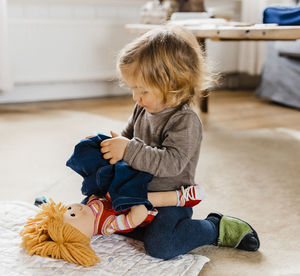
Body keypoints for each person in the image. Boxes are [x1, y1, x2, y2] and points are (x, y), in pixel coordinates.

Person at [99, 24, 260, 259]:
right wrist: (105, 144)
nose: (135, 97)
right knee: (100, 214)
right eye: (133, 89)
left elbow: (171, 163)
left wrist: (128, 150)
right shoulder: (142, 108)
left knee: (162, 246)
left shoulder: (185, 121)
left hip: (170, 201)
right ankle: (62, 215)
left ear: (172, 84)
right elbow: (127, 137)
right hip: (136, 192)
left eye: (142, 91)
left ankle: (214, 228)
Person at [20, 187, 204, 267]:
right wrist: (127, 197)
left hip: (153, 183)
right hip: (165, 207)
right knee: (159, 246)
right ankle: (214, 227)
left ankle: (43, 207)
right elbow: (137, 214)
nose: (73, 208)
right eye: (73, 214)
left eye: (69, 210)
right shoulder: (108, 225)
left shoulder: (87, 205)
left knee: (86, 196)